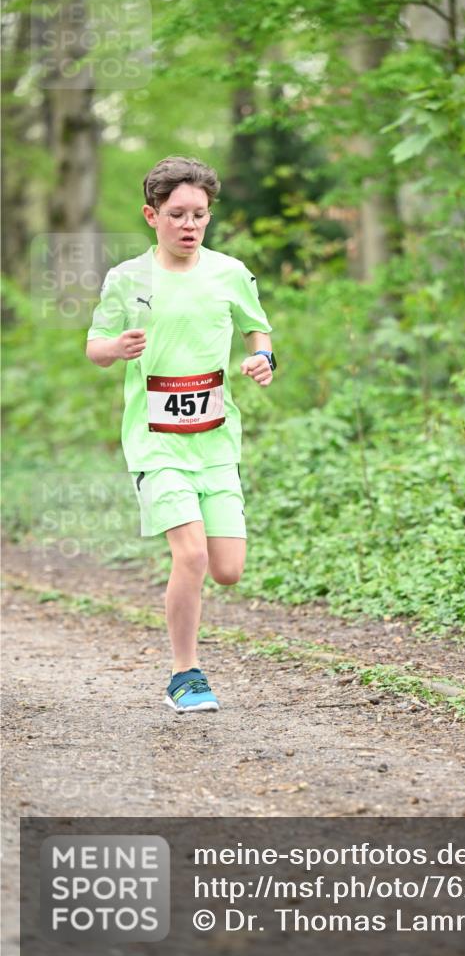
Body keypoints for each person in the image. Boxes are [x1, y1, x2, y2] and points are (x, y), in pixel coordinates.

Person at [86, 156, 276, 714]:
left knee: (228, 570)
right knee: (190, 555)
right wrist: (115, 349)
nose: (189, 225)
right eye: (177, 214)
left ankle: (186, 651)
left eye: (199, 215)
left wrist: (263, 359)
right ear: (152, 216)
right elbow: (94, 346)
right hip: (155, 440)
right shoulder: (127, 279)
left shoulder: (229, 273)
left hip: (216, 441)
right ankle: (184, 674)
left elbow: (256, 329)